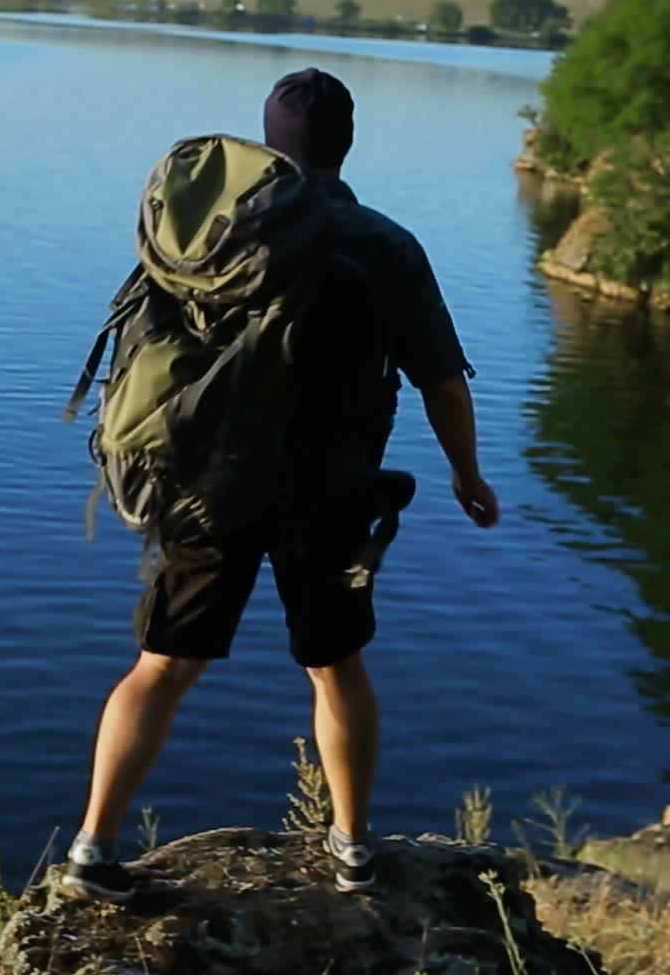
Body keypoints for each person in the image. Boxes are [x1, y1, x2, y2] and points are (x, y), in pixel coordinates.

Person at [62, 67, 500, 901]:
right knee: (336, 667)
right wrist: (467, 473)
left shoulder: (210, 231)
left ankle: (93, 847)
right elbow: (443, 381)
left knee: (160, 666)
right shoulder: (383, 243)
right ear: (346, 141)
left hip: (206, 482)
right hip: (328, 492)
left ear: (265, 142)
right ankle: (352, 848)